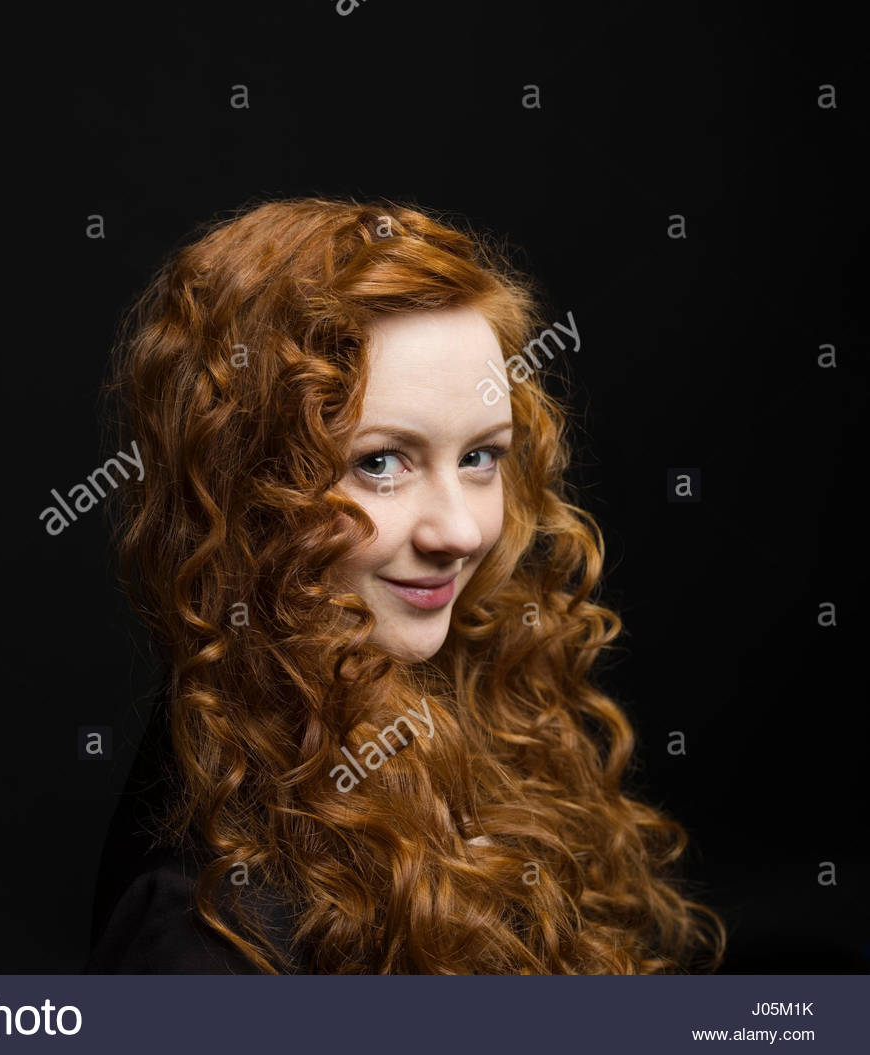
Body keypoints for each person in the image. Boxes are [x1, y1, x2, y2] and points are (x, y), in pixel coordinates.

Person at [86, 196, 727, 974]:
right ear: (239, 490)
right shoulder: (204, 928)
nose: (459, 532)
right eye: (380, 463)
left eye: (480, 457)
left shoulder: (464, 707)